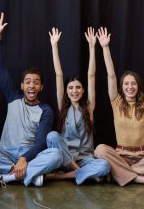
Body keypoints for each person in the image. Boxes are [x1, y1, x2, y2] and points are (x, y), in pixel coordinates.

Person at [0, 11, 63, 188]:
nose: (31, 86)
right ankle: (25, 175)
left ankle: (6, 178)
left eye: (36, 83)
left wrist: (24, 159)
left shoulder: (46, 110)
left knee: (56, 155)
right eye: (28, 82)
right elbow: (0, 68)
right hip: (4, 153)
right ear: (21, 86)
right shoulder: (13, 97)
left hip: (30, 156)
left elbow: (41, 142)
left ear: (41, 87)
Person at [94, 26, 144, 186]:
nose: (130, 87)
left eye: (133, 83)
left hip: (142, 156)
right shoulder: (116, 101)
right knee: (99, 150)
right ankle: (139, 178)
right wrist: (105, 47)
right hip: (120, 155)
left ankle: (121, 174)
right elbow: (111, 74)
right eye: (126, 84)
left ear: (138, 86)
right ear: (121, 87)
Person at [45, 27, 110, 184]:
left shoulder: (89, 107)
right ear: (66, 91)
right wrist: (54, 46)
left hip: (85, 159)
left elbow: (91, 75)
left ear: (83, 91)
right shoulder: (63, 107)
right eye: (71, 88)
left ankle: (66, 176)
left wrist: (92, 47)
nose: (74, 91)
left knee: (105, 165)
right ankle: (79, 173)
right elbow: (59, 74)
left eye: (78, 87)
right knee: (52, 136)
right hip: (65, 159)